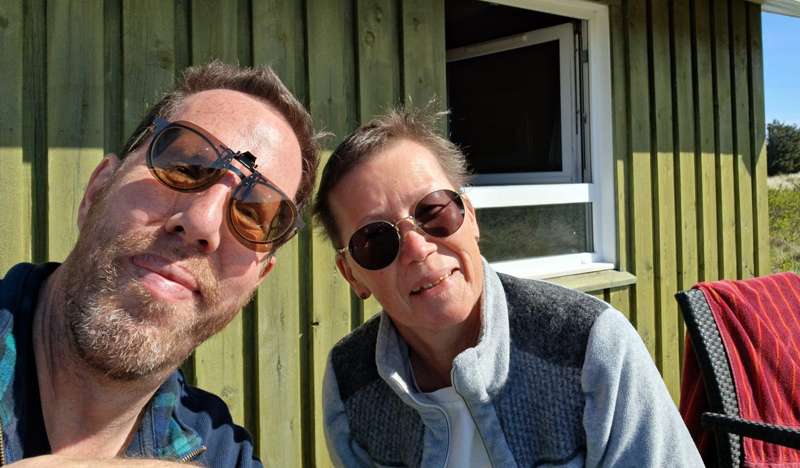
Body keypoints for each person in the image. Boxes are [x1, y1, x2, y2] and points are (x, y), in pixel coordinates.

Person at [313, 105, 703, 467]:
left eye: (432, 211)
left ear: (471, 218)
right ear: (352, 275)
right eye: (376, 239)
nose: (418, 248)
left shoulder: (590, 345)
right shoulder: (349, 382)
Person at [0, 61, 318, 466]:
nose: (202, 223)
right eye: (183, 167)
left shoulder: (225, 456)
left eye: (253, 213)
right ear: (96, 191)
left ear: (258, 279)